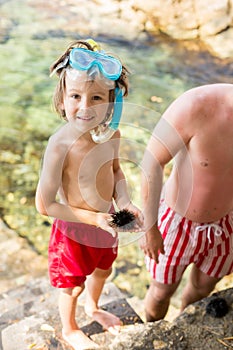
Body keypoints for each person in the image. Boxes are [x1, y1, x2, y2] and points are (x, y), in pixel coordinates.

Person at [36, 38, 143, 349]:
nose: (85, 107)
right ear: (61, 100)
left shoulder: (113, 135)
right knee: (71, 286)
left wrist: (125, 202)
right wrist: (93, 218)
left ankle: (94, 308)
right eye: (75, 96)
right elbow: (44, 205)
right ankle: (69, 328)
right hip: (73, 232)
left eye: (97, 97)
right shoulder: (60, 145)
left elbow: (116, 172)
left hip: (106, 223)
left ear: (113, 103)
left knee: (103, 270)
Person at [141, 83, 233, 321]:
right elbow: (152, 162)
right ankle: (152, 336)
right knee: (161, 292)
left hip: (227, 226)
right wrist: (149, 227)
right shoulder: (196, 105)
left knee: (202, 290)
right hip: (176, 223)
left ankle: (183, 324)